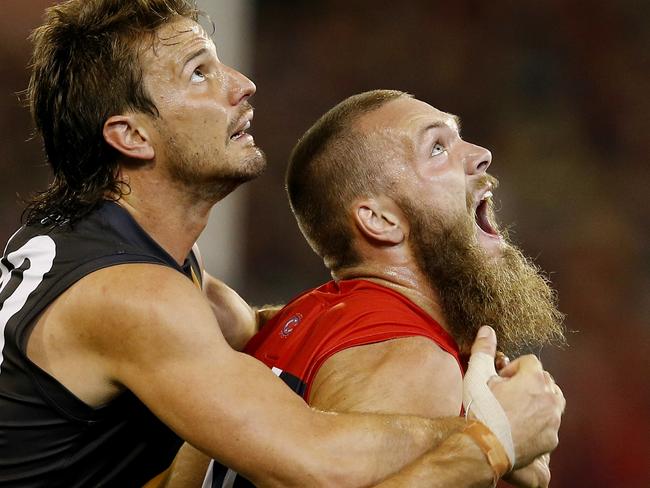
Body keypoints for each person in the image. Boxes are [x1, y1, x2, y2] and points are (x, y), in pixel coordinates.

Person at [0, 1, 564, 487]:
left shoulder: (118, 257)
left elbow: (250, 331)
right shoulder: (134, 297)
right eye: (199, 73)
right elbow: (314, 464)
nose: (242, 84)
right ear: (131, 135)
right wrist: (495, 436)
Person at [207, 90, 567, 487]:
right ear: (379, 220)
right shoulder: (415, 362)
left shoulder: (291, 324)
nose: (480, 154)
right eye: (436, 149)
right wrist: (496, 440)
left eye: (459, 136)